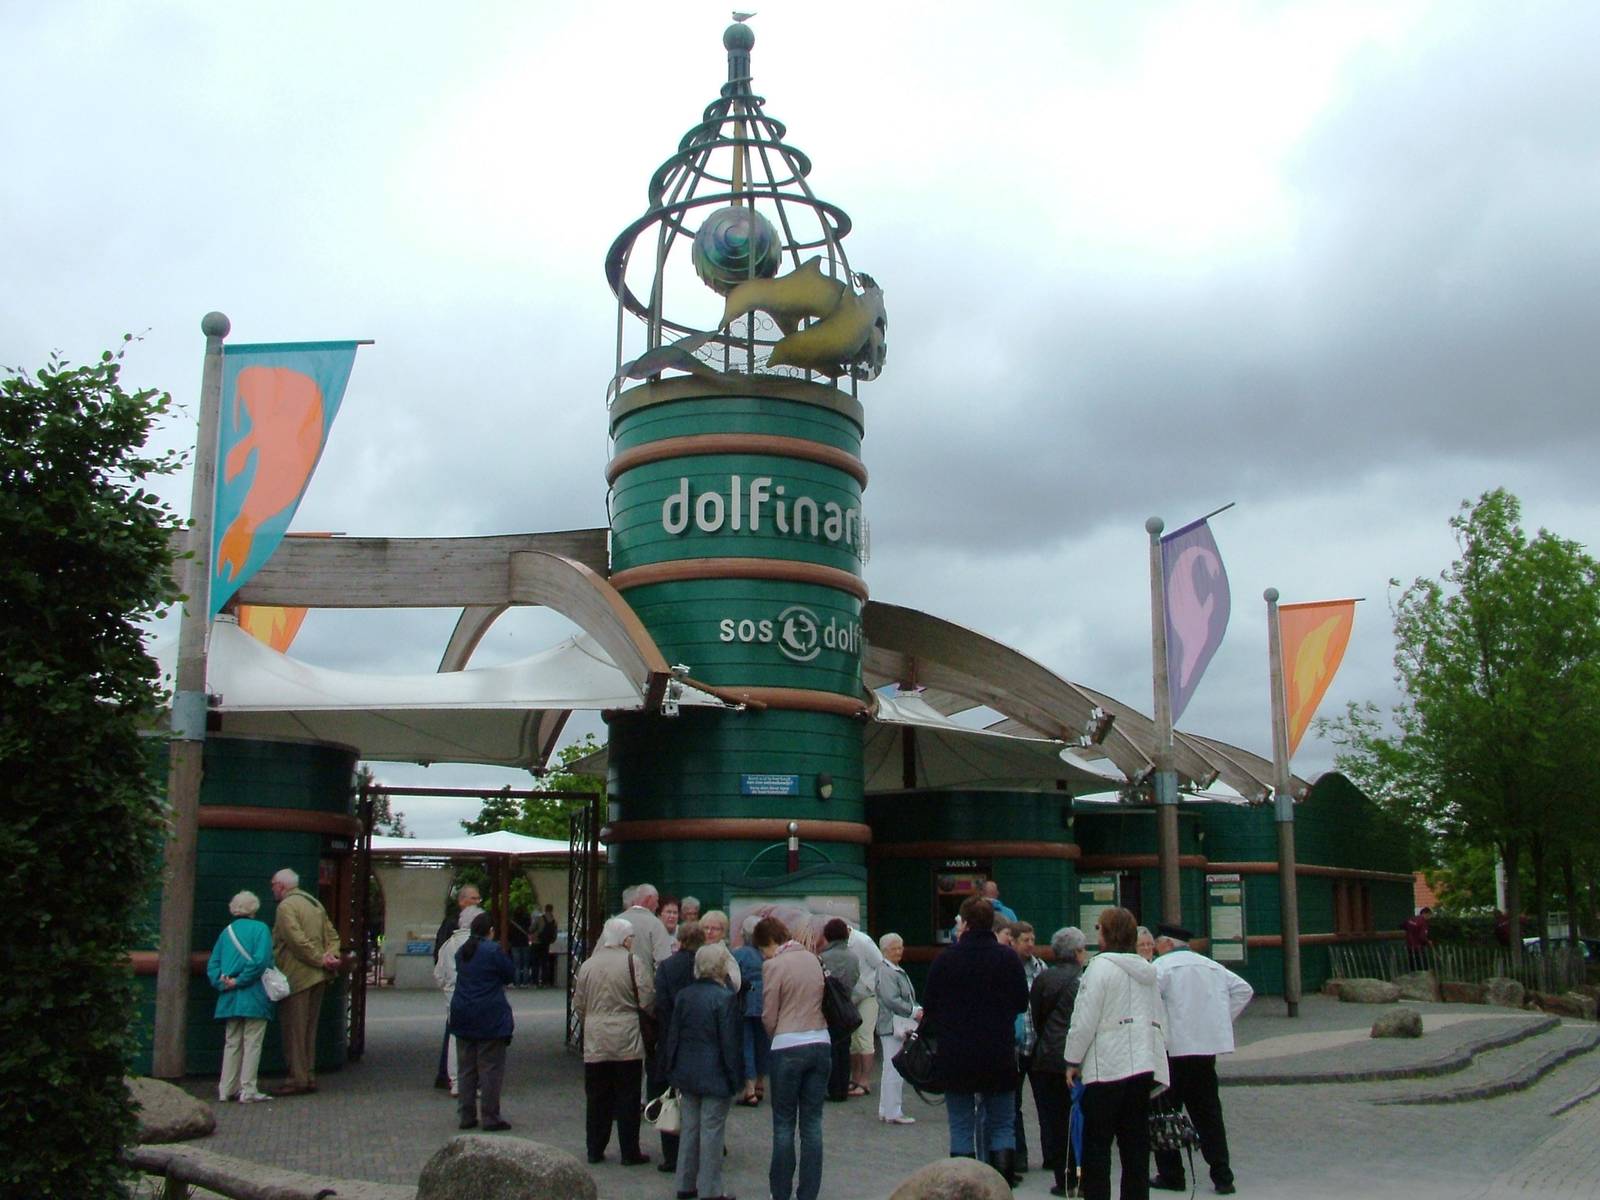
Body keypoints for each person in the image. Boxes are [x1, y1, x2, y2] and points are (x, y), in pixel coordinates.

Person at [1063, 906, 1169, 1200]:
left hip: (1106, 1066)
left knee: (1097, 1144)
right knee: (1135, 1144)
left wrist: (1072, 1059)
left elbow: (1084, 1020)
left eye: (1099, 928)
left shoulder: (1099, 968)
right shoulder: (1146, 971)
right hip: (1142, 1064)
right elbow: (1160, 1018)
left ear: (1107, 934)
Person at [924, 895, 1029, 1182]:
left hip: (956, 1053)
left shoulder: (946, 959)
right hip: (998, 1051)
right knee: (1002, 1125)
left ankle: (963, 1187)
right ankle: (1001, 1185)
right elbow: (1021, 1002)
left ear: (965, 923)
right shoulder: (1007, 958)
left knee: (960, 1126)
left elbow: (930, 1006)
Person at [1149, 924, 1252, 1196]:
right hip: (1205, 1051)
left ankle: (1172, 1174)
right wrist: (1220, 1021)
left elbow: (1149, 1000)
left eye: (1157, 943)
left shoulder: (1161, 967)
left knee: (1164, 1112)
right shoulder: (1212, 966)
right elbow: (1244, 990)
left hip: (1173, 1052)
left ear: (1167, 944)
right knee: (1209, 1114)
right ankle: (1222, 1175)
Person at [758, 915, 830, 1200]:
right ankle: (809, 1193)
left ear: (769, 942)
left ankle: (780, 1192)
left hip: (787, 1043)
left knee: (784, 1124)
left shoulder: (773, 965)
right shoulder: (813, 960)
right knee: (812, 1125)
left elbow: (769, 1014)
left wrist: (776, 1034)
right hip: (820, 1041)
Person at [664, 943, 744, 1200]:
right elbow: (729, 1043)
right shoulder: (725, 998)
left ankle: (685, 1184)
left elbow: (674, 1035)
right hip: (716, 1073)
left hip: (687, 1071)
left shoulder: (684, 995)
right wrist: (736, 1077)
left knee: (689, 1129)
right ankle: (711, 1190)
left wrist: (671, 1068)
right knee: (712, 1132)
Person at [573, 917, 654, 1166]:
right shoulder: (633, 962)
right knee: (628, 1095)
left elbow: (579, 1002)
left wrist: (591, 1021)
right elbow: (646, 997)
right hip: (627, 1038)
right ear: (625, 939)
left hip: (596, 1039)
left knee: (597, 1096)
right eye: (631, 937)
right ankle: (630, 1151)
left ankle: (594, 1149)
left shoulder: (588, 965)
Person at [268, 868, 342, 1096]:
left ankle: (297, 1079)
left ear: (281, 886)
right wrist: (331, 957)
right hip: (318, 977)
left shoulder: (285, 907)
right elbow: (332, 935)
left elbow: (295, 940)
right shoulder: (314, 903)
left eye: (273, 884)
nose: (272, 889)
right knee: (309, 1030)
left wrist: (319, 959)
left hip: (296, 977)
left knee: (294, 1030)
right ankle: (308, 1075)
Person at [1032, 927, 1088, 1197]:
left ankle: (1064, 1178)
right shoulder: (1085, 979)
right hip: (1080, 1058)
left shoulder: (1043, 979)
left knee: (1056, 1121)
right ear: (1077, 952)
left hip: (1048, 1057)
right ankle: (1083, 1174)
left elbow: (1037, 1017)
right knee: (1083, 1118)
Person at [206, 890, 276, 1103]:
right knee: (252, 1042)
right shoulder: (261, 929)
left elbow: (213, 964)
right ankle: (248, 1089)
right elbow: (261, 961)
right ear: (254, 907)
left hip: (229, 996)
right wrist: (241, 980)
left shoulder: (226, 932)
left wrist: (224, 982)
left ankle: (226, 1088)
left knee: (232, 1042)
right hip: (254, 994)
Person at [449, 911, 515, 1132]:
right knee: (490, 1069)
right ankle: (490, 1116)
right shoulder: (493, 950)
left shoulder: (462, 952)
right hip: (489, 1015)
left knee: (466, 1069)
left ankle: (466, 1115)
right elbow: (509, 974)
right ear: (491, 931)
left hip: (462, 1013)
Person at [653, 920, 707, 1174]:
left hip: (671, 1039)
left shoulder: (667, 966)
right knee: (701, 1098)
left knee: (670, 1098)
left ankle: (672, 1155)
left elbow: (661, 1005)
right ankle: (701, 1151)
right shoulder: (706, 966)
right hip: (702, 1040)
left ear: (680, 940)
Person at [433, 903, 485, 1096]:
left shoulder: (448, 944)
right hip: (477, 996)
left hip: (453, 997)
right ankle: (474, 1081)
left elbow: (438, 975)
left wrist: (447, 987)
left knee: (455, 1039)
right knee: (479, 1040)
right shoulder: (481, 945)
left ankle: (455, 1080)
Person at [1011, 920, 1048, 1174]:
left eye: (1032, 940)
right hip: (1015, 1045)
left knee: (1045, 1102)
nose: (1030, 945)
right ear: (1013, 942)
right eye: (1025, 940)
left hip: (1037, 1043)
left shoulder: (1040, 968)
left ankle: (1052, 1154)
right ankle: (1019, 1156)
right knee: (1014, 1103)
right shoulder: (1007, 967)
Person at [874, 932, 920, 1125]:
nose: (898, 951)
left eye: (900, 947)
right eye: (894, 948)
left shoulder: (893, 969)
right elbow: (891, 999)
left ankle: (886, 1109)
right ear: (884, 951)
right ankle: (893, 1111)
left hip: (893, 1024)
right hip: (892, 1025)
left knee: (889, 1068)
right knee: (894, 1068)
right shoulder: (887, 971)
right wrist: (913, 1011)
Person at [817, 917, 859, 1101]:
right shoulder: (853, 957)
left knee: (831, 1049)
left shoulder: (823, 958)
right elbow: (855, 978)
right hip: (846, 1006)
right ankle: (842, 1087)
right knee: (844, 1048)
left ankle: (832, 1088)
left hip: (828, 1008)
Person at [847, 921, 884, 1096]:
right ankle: (855, 1078)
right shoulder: (839, 942)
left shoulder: (863, 941)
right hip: (851, 996)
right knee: (853, 1039)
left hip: (869, 994)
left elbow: (880, 964)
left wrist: (871, 986)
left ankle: (865, 1080)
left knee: (864, 1035)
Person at [622, 882, 676, 968]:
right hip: (645, 975)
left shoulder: (614, 922)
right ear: (648, 899)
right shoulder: (656, 924)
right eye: (656, 901)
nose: (657, 906)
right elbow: (664, 961)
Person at [701, 909, 742, 992]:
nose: (709, 932)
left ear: (723, 932)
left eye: (714, 929)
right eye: (706, 928)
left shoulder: (725, 955)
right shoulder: (698, 951)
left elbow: (735, 983)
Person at [507, 906, 531, 987]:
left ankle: (517, 982)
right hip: (525, 943)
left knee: (516, 965)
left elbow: (509, 934)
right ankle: (525, 982)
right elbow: (530, 930)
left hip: (515, 944)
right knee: (525, 965)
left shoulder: (512, 922)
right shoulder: (527, 921)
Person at [537, 903, 559, 987]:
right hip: (549, 942)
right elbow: (555, 932)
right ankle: (548, 980)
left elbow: (534, 929)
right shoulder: (554, 920)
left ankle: (540, 980)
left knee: (540, 961)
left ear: (545, 909)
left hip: (540, 942)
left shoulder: (541, 918)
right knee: (547, 962)